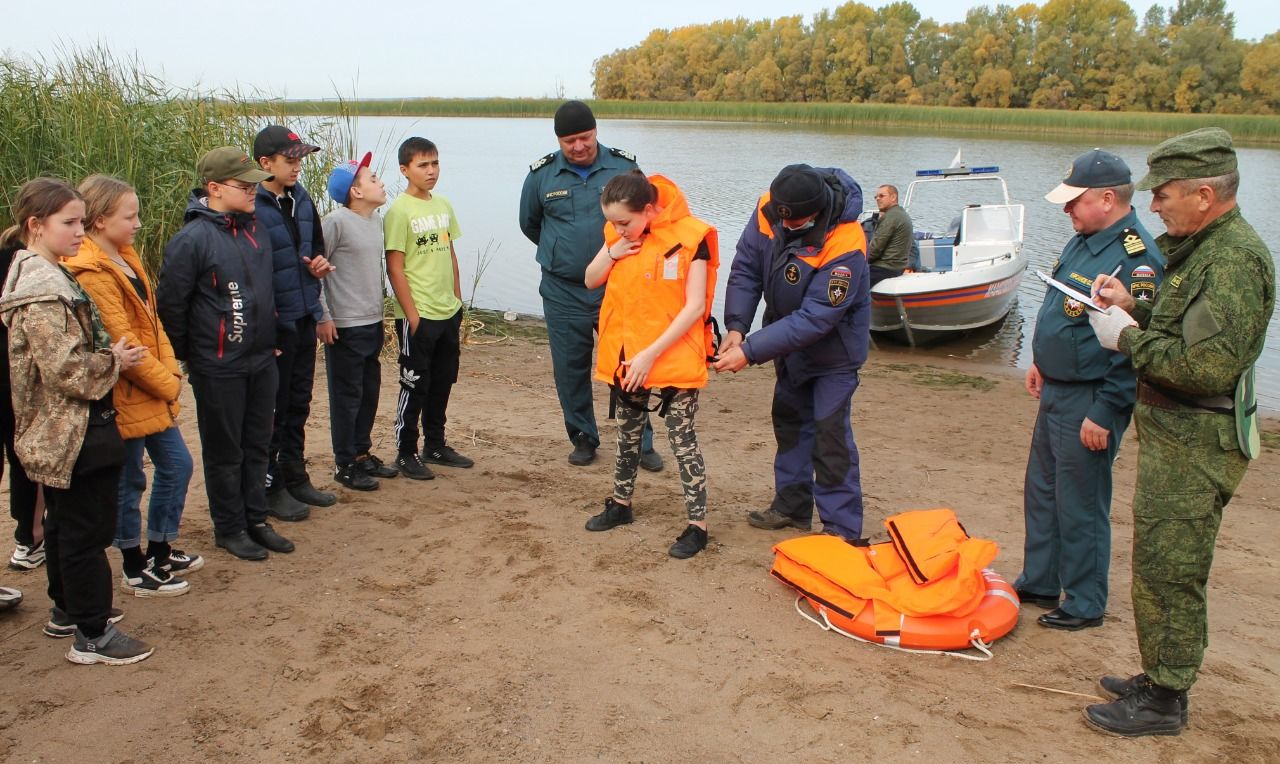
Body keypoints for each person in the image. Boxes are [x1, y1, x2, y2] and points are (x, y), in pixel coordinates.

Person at [1084, 128, 1274, 736]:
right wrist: (1135, 308)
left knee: (1173, 570)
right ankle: (1160, 674)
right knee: (1159, 563)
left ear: (1202, 193)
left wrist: (1127, 339)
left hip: (1198, 442)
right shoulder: (1205, 249)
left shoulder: (1233, 260)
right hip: (1177, 439)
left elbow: (1207, 367)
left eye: (1162, 194)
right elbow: (1188, 328)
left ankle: (1166, 700)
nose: (1155, 205)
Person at [0, 178, 152, 664]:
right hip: (70, 428)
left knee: (65, 523)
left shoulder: (43, 274)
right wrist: (115, 361)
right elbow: (65, 369)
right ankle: (92, 634)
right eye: (69, 223)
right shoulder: (43, 289)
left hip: (59, 428)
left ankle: (68, 609)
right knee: (85, 529)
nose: (79, 232)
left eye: (82, 222)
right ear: (35, 225)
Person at [1015, 150, 1164, 632]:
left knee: (1080, 501)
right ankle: (1040, 579)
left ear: (1106, 198)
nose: (1066, 210)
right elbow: (1065, 308)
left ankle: (1084, 601)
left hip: (1091, 395)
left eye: (1074, 201)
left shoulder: (1136, 259)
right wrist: (1041, 358)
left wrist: (1107, 409)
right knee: (1042, 492)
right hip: (1058, 386)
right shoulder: (1084, 239)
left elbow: (1133, 344)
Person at [714, 164, 871, 541]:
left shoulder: (847, 241)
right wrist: (737, 326)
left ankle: (841, 528)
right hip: (787, 346)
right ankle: (792, 506)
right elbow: (747, 268)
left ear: (817, 212)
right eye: (784, 220)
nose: (789, 227)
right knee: (788, 422)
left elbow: (817, 317)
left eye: (798, 222)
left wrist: (751, 351)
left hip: (833, 354)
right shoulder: (770, 207)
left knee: (830, 434)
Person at [157, 147, 295, 561]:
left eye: (255, 183)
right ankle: (229, 526)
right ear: (214, 188)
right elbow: (172, 306)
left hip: (260, 357)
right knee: (225, 451)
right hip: (218, 364)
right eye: (244, 184)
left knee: (258, 443)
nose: (254, 190)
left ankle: (256, 518)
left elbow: (262, 292)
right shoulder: (192, 239)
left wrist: (269, 334)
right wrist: (195, 355)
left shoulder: (255, 230)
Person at [66, 175, 201, 597]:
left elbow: (152, 324)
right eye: (130, 216)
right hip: (126, 394)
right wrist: (167, 384)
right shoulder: (92, 272)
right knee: (129, 481)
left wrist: (169, 373)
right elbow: (122, 339)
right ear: (101, 220)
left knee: (177, 466)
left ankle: (161, 547)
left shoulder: (125, 256)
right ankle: (132, 563)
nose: (139, 223)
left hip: (153, 388)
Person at [518, 100, 662, 471]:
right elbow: (529, 225)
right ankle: (583, 436)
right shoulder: (542, 175)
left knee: (628, 363)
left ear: (596, 131)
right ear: (558, 141)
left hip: (617, 287)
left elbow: (649, 222)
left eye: (584, 137)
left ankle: (641, 441)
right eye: (569, 141)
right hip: (562, 289)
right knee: (570, 366)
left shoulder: (624, 167)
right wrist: (565, 254)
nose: (578, 146)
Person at [582, 172, 718, 558]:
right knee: (627, 438)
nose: (617, 229)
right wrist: (612, 251)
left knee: (682, 440)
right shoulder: (619, 238)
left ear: (648, 209)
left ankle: (697, 526)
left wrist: (650, 353)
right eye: (611, 222)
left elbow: (693, 307)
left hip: (671, 356)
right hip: (628, 358)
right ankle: (621, 506)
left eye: (624, 221)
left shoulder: (691, 238)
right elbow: (590, 280)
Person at [253, 125, 335, 520]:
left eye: (301, 158)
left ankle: (295, 475)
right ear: (264, 163)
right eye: (291, 159)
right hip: (275, 321)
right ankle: (270, 486)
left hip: (303, 313)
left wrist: (318, 265)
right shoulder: (251, 205)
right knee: (274, 406)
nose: (298, 166)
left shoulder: (301, 198)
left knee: (299, 402)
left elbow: (313, 246)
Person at [384, 137, 474, 480]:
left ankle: (435, 444)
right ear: (405, 170)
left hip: (447, 310)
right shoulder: (399, 211)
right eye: (423, 165)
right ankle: (406, 451)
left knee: (442, 381)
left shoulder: (443, 205)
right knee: (415, 383)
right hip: (419, 315)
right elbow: (395, 267)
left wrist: (458, 301)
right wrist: (412, 315)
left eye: (435, 163)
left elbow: (450, 254)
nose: (431, 171)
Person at [320, 153, 399, 490]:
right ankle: (344, 462)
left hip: (371, 319)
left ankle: (362, 453)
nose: (380, 183)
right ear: (356, 191)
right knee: (346, 394)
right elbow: (314, 272)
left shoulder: (377, 221)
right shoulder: (335, 222)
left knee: (368, 391)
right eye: (372, 179)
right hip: (344, 324)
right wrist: (322, 316)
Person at [1, 242, 44, 573]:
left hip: (14, 378)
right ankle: (30, 539)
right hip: (16, 381)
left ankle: (28, 539)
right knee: (28, 461)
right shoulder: (29, 264)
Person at [866, 184, 912, 285]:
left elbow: (874, 251)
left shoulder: (891, 217)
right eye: (876, 197)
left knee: (845, 279)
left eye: (882, 196)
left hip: (885, 269)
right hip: (897, 268)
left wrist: (857, 261)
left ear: (893, 197)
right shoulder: (901, 213)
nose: (877, 199)